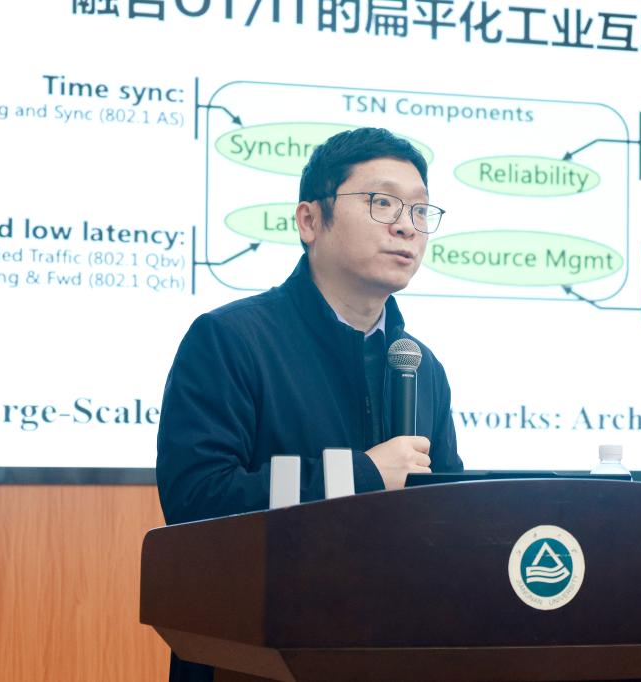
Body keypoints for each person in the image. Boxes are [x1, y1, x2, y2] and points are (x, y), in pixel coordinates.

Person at [156, 127, 464, 682]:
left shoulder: (421, 367)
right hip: (254, 660)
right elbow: (196, 505)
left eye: (420, 211)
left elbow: (451, 523)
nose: (406, 226)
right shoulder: (230, 341)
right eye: (382, 202)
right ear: (309, 220)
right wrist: (364, 476)